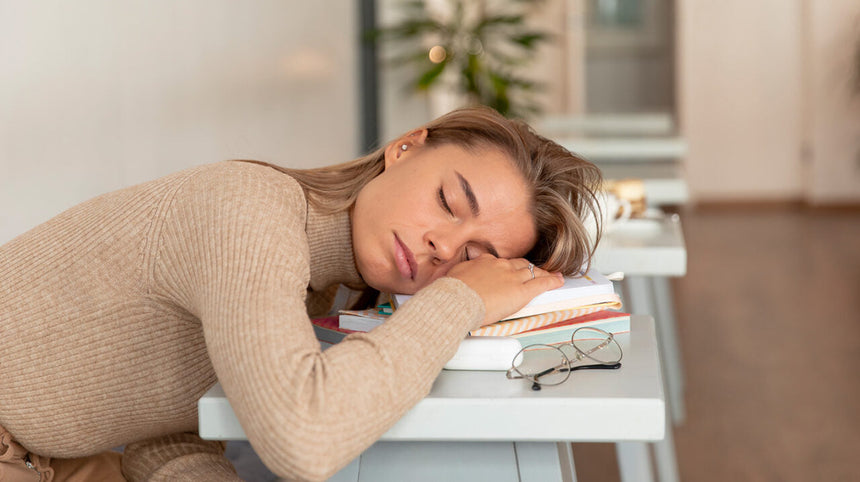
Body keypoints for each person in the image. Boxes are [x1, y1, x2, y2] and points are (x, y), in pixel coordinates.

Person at [0, 106, 603, 481]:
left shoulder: (325, 290)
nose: (444, 248)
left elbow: (165, 433)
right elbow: (303, 440)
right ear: (406, 148)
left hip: (47, 457)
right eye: (449, 202)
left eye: (473, 259)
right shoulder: (248, 211)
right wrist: (461, 301)